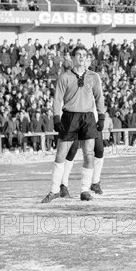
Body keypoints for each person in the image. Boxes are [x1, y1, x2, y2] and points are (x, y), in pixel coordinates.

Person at [41, 45, 105, 203]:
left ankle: (84, 190)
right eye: (78, 54)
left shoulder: (93, 76)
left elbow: (99, 97)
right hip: (69, 117)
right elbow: (57, 99)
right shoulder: (64, 77)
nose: (82, 57)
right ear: (72, 58)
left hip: (88, 117)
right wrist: (56, 118)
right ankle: (55, 190)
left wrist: (101, 116)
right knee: (60, 154)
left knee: (89, 154)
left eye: (84, 54)